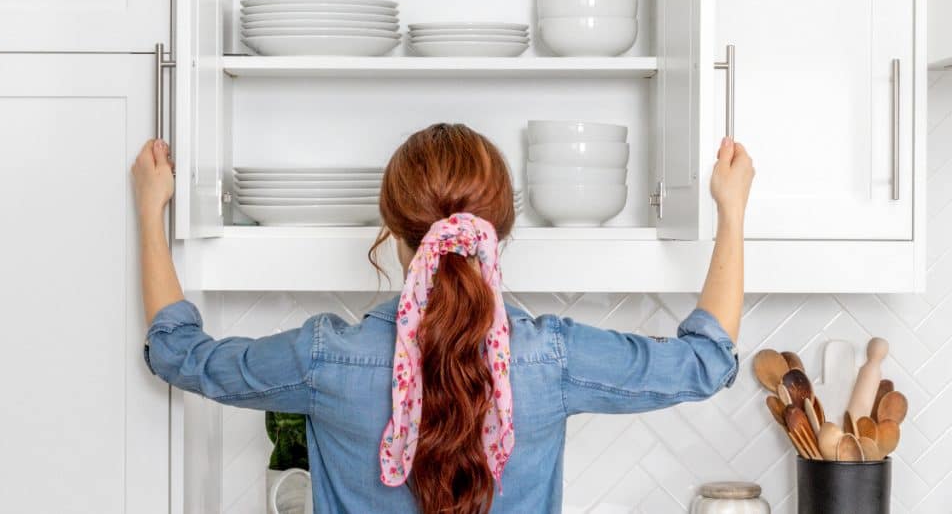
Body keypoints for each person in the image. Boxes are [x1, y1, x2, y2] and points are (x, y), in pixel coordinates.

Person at [132, 123, 754, 514]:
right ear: (501, 234)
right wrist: (731, 212)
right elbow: (708, 360)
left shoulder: (322, 357)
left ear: (393, 237)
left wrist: (149, 214)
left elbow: (177, 351)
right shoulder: (552, 358)